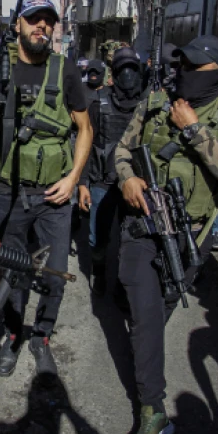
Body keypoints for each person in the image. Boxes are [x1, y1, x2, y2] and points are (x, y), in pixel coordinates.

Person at [114, 35, 218, 434]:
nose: (185, 74)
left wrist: (194, 130)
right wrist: (127, 179)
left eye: (196, 69)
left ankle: (145, 351)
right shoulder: (155, 101)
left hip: (193, 235)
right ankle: (153, 410)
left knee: (162, 306)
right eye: (183, 66)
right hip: (143, 226)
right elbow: (122, 151)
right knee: (146, 312)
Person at [0, 0, 93, 377]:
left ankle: (43, 337)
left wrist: (73, 179)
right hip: (9, 192)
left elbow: (85, 129)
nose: (42, 26)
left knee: (54, 272)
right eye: (34, 19)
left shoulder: (64, 68)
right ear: (18, 24)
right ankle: (14, 335)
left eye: (48, 21)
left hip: (54, 195)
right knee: (14, 271)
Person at [78, 48, 145, 297]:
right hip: (101, 180)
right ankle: (99, 271)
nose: (127, 76)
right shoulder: (98, 102)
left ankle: (123, 281)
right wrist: (82, 182)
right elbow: (86, 143)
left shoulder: (147, 104)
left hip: (135, 182)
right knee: (98, 236)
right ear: (113, 75)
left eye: (132, 70)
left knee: (131, 239)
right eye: (121, 70)